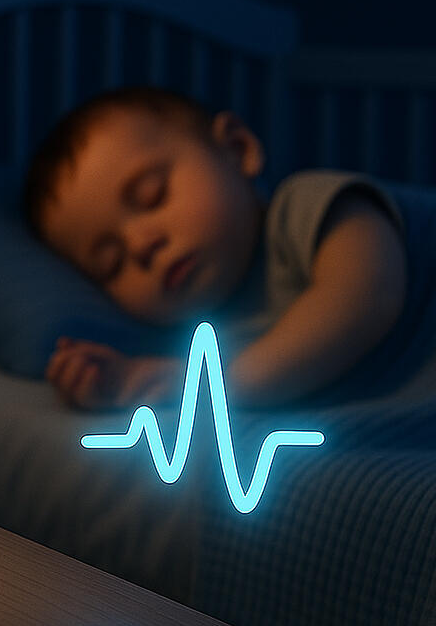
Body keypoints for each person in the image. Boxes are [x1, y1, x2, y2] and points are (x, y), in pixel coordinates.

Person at [22, 87, 407, 409]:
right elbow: (167, 379)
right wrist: (122, 379)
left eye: (153, 196)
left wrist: (220, 384)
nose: (141, 246)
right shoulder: (194, 337)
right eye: (112, 263)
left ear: (237, 149)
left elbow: (368, 293)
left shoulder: (304, 210)